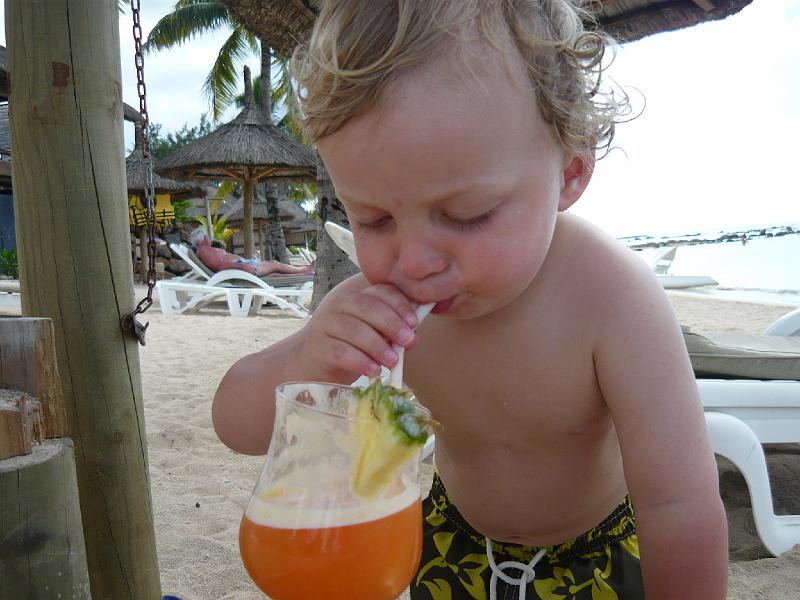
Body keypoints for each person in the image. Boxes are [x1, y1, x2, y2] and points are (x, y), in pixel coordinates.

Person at [212, 1, 728, 598]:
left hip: (599, 555)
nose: (415, 261)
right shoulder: (379, 308)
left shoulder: (612, 300)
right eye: (374, 219)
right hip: (448, 545)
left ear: (570, 171)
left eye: (467, 215)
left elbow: (679, 505)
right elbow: (238, 427)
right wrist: (307, 363)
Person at [188, 222, 314, 277]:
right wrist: (243, 267)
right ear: (204, 237)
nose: (209, 238)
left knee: (274, 271)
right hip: (241, 268)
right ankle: (305, 270)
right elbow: (220, 265)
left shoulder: (205, 250)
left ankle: (304, 270)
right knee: (274, 266)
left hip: (242, 265)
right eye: (207, 236)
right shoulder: (204, 250)